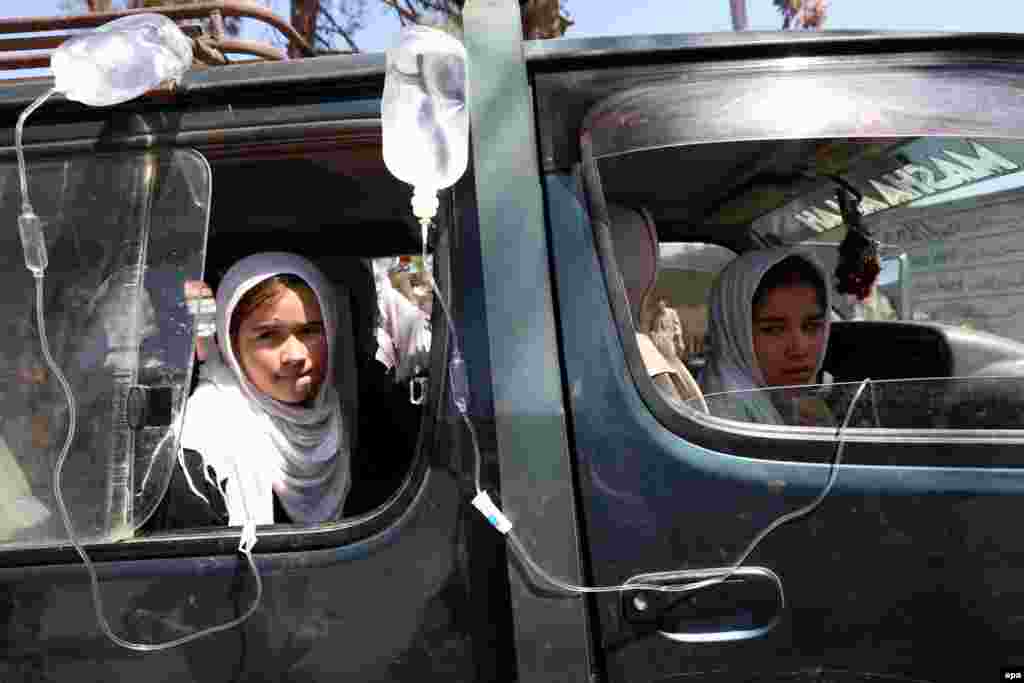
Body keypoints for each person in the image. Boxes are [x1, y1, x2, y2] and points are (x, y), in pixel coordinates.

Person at [145, 252, 354, 533]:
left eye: (310, 332)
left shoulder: (337, 417)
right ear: (232, 345)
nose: (294, 355)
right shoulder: (203, 448)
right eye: (268, 336)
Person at [701, 249, 833, 425]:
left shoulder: (770, 398)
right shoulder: (726, 419)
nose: (799, 349)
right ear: (736, 332)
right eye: (773, 330)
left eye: (812, 326)